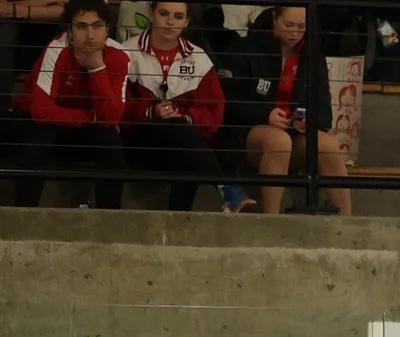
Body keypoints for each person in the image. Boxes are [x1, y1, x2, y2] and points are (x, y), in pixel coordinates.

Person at [121, 0, 250, 211]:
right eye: (164, 14)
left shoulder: (199, 58)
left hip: (184, 142)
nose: (170, 22)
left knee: (185, 143)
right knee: (184, 138)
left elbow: (214, 113)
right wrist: (151, 112)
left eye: (178, 16)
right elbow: (116, 106)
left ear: (187, 21)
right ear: (152, 14)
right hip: (139, 140)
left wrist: (186, 117)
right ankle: (226, 188)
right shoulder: (126, 52)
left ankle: (180, 217)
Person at [223, 4, 350, 214]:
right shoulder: (245, 49)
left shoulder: (312, 55)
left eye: (301, 27)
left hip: (294, 133)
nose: (294, 33)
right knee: (279, 141)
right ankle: (272, 220)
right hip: (251, 131)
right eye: (288, 25)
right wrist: (266, 114)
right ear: (274, 19)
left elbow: (324, 113)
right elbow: (229, 102)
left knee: (327, 145)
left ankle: (347, 220)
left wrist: (308, 121)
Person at [11, 0, 129, 209]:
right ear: (70, 31)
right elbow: (41, 111)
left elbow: (111, 117)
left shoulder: (119, 55)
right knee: (41, 136)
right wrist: (92, 117)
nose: (90, 35)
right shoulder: (57, 49)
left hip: (81, 130)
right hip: (42, 124)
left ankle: (111, 217)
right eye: (82, 26)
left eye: (97, 26)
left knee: (110, 140)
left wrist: (97, 69)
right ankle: (23, 214)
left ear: (107, 30)